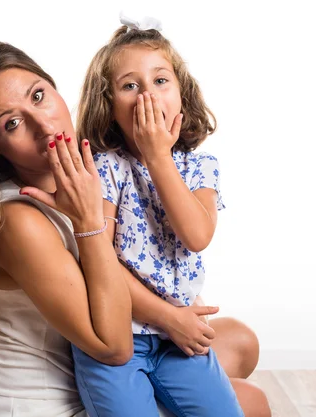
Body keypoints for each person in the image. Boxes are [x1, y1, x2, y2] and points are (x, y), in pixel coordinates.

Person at [72, 19, 272, 417]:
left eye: (161, 80)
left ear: (182, 94)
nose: (147, 94)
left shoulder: (200, 168)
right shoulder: (103, 169)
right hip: (118, 337)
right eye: (130, 85)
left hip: (180, 341)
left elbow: (197, 235)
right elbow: (99, 263)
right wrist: (167, 317)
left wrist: (158, 157)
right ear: (109, 107)